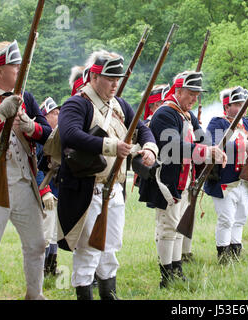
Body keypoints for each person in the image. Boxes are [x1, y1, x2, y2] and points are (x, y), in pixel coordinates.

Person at [57, 50, 158, 300]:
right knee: (89, 250)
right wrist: (111, 145)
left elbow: (142, 128)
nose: (115, 83)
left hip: (114, 188)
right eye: (109, 77)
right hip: (87, 188)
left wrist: (149, 148)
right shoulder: (77, 103)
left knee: (110, 248)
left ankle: (108, 295)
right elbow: (69, 134)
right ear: (93, 77)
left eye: (117, 78)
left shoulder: (120, 105)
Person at [139, 70, 227, 288]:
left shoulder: (186, 114)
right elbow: (174, 148)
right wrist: (208, 152)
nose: (194, 99)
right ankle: (166, 275)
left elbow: (202, 138)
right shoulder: (165, 114)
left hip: (185, 179)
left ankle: (176, 267)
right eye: (190, 94)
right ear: (178, 91)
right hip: (166, 180)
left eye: (197, 95)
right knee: (168, 226)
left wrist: (213, 148)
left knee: (179, 225)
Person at [0, 40, 52, 299]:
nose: (20, 71)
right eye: (16, 66)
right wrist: (0, 113)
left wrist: (30, 127)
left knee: (37, 243)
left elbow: (48, 135)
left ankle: (34, 295)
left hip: (25, 180)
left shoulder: (26, 97)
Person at [204, 86, 248, 263]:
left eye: (244, 103)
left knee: (241, 217)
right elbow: (213, 145)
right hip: (224, 180)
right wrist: (242, 147)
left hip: (245, 178)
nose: (243, 107)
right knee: (226, 219)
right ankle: (223, 255)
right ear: (227, 107)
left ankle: (236, 250)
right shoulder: (217, 123)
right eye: (238, 104)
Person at [36, 97, 61, 277]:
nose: (58, 115)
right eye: (53, 113)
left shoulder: (59, 136)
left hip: (58, 189)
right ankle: (40, 269)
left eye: (59, 112)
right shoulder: (40, 137)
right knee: (45, 231)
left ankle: (52, 267)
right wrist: (43, 190)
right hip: (45, 189)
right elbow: (34, 166)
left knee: (54, 231)